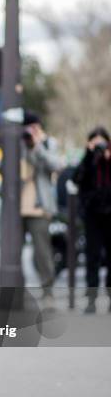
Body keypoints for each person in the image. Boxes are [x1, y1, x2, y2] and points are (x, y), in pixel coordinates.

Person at [20, 110, 63, 302]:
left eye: (34, 127)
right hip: (16, 208)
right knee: (12, 253)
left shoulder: (47, 143)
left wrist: (37, 146)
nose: (31, 131)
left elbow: (56, 165)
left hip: (39, 208)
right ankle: (15, 289)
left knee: (42, 251)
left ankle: (47, 289)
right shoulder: (17, 142)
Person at [73, 126, 111, 314]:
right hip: (92, 216)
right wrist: (89, 156)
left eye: (102, 141)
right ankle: (91, 299)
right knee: (92, 257)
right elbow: (77, 178)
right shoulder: (88, 160)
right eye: (95, 141)